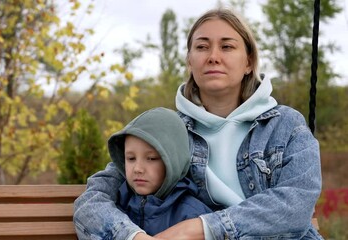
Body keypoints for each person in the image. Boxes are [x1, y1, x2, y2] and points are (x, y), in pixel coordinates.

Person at [73, 7, 323, 240]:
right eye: (202, 47)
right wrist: (132, 235)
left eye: (227, 47)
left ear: (248, 62)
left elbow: (296, 204)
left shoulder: (285, 125)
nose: (213, 57)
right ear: (190, 61)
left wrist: (201, 227)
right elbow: (93, 200)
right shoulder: (166, 132)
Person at [107, 107, 212, 236]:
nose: (138, 169)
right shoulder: (117, 203)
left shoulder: (192, 215)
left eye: (151, 158)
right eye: (131, 158)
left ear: (174, 161)